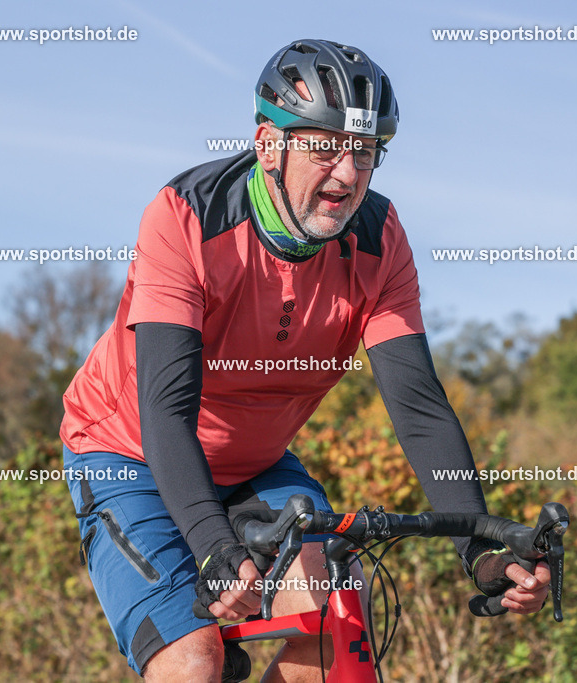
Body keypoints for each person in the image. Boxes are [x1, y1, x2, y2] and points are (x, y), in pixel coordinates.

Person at [60, 38, 550, 682]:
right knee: (195, 658)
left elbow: (419, 408)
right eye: (324, 147)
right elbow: (165, 405)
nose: (347, 174)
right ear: (269, 144)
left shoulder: (380, 238)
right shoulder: (186, 216)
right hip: (132, 453)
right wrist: (212, 548)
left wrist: (479, 544)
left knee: (333, 618)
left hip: (256, 465)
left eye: (366, 152)